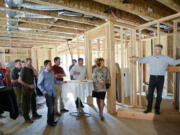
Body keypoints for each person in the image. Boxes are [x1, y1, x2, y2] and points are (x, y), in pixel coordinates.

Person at [131, 44, 180, 115]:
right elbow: (142, 60)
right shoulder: (150, 58)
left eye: (158, 49)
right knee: (150, 94)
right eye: (155, 49)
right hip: (152, 78)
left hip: (161, 78)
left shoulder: (165, 58)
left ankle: (157, 109)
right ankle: (149, 108)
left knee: (159, 95)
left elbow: (174, 62)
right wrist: (136, 58)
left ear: (161, 50)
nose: (156, 51)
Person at [38, 60, 65, 127]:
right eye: (49, 65)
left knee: (52, 108)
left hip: (53, 92)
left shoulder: (52, 73)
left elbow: (55, 82)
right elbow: (39, 84)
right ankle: (49, 122)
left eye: (51, 64)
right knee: (50, 108)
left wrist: (63, 82)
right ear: (45, 66)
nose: (51, 66)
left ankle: (52, 120)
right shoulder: (42, 74)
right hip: (48, 93)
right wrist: (44, 92)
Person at [18, 58, 41, 123]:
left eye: (31, 62)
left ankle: (34, 114)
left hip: (32, 89)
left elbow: (37, 74)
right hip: (26, 90)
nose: (31, 63)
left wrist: (32, 67)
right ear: (25, 63)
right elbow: (19, 80)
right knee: (26, 105)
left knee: (33, 103)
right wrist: (29, 85)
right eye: (29, 62)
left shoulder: (31, 69)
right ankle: (27, 118)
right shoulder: (23, 70)